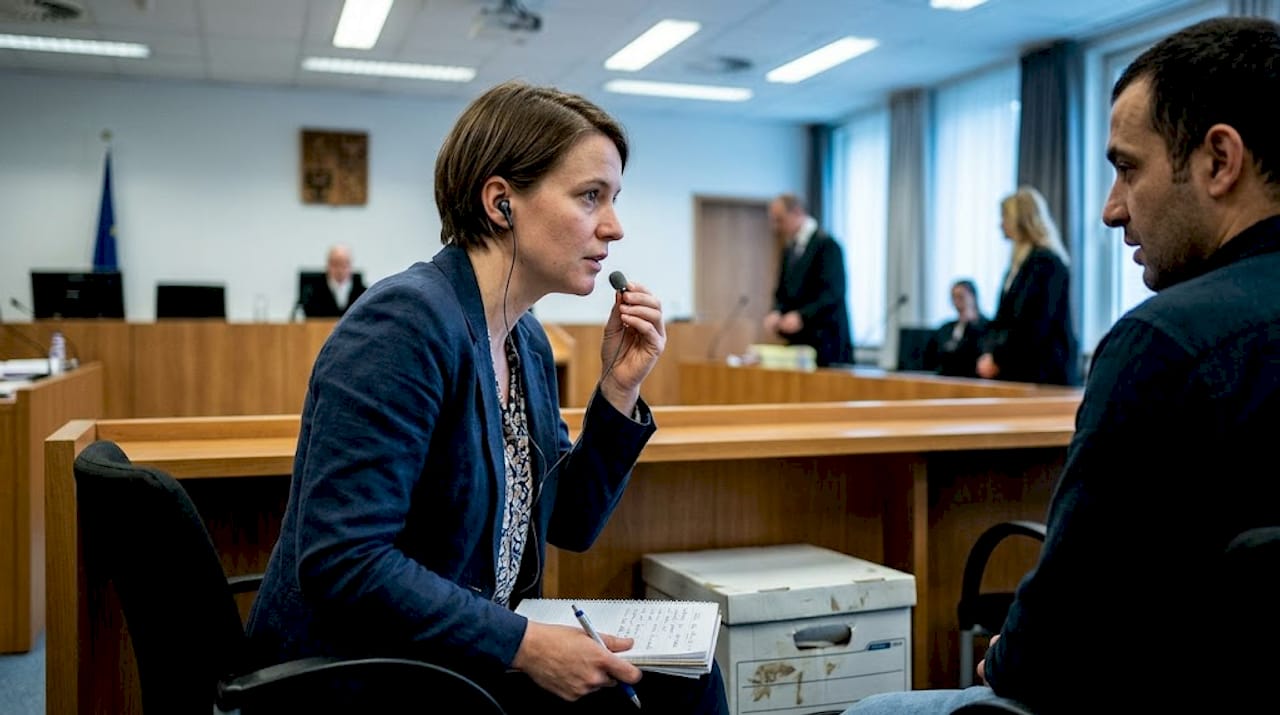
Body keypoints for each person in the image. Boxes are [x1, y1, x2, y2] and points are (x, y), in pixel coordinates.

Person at [246, 80, 729, 714]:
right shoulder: (403, 325)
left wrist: (618, 388)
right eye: (590, 197)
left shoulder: (524, 338)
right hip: (366, 672)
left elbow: (568, 522)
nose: (614, 227)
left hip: (455, 652)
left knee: (692, 679)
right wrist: (526, 645)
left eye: (613, 199)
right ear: (502, 203)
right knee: (613, 707)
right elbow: (343, 561)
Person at [843, 16, 1280, 714]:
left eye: (1127, 168)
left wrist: (1008, 655)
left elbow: (1061, 628)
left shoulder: (1163, 345)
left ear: (1219, 161)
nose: (1111, 210)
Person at [975, 187, 1079, 385]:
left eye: (1004, 217)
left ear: (1019, 220)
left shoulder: (1047, 263)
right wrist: (989, 353)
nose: (1000, 225)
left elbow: (1036, 324)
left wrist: (999, 359)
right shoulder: (1017, 266)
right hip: (1017, 371)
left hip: (1042, 375)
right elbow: (1002, 321)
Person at [762, 193, 854, 367]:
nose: (776, 227)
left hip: (826, 342)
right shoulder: (790, 249)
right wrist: (776, 311)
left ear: (797, 212)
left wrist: (801, 316)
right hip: (799, 342)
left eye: (780, 220)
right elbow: (783, 291)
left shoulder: (827, 245)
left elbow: (833, 293)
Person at [922, 278, 988, 378]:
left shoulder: (985, 326)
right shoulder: (945, 328)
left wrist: (971, 323)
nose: (956, 301)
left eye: (961, 297)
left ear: (973, 297)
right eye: (953, 297)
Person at [301, 243, 366, 317]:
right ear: (328, 265)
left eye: (344, 264)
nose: (340, 269)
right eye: (335, 264)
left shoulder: (363, 292)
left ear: (350, 265)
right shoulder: (313, 293)